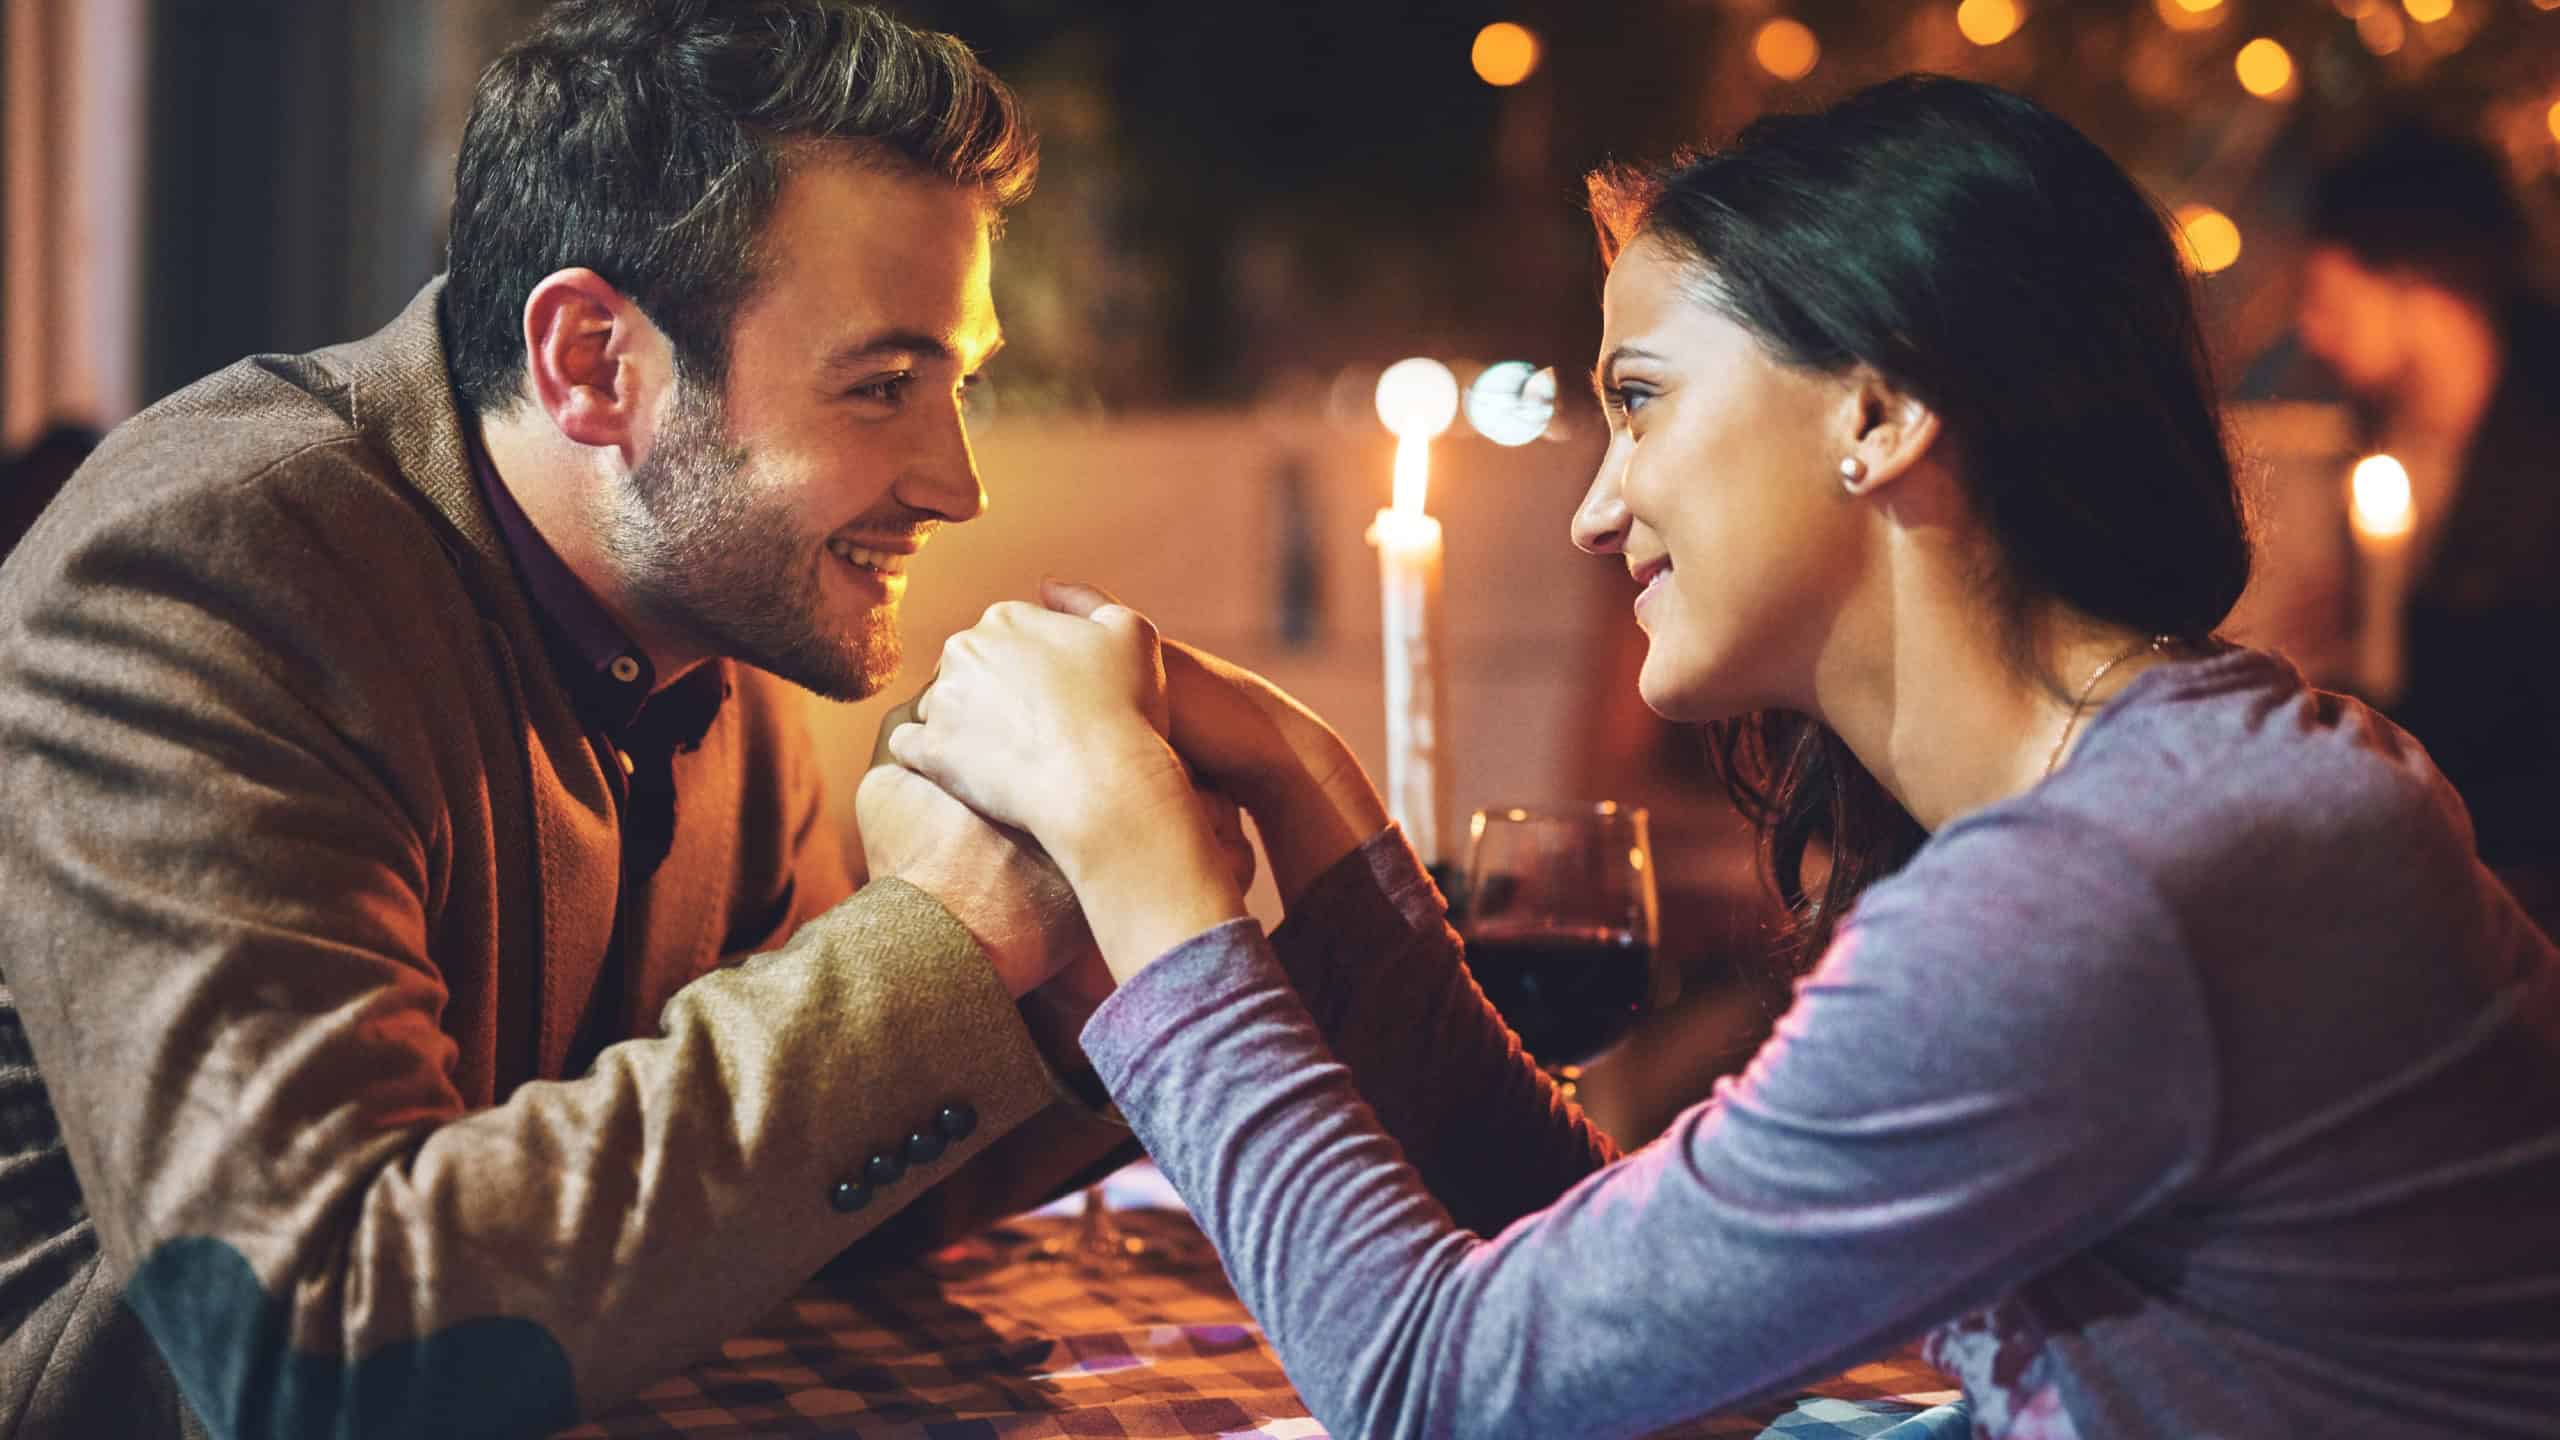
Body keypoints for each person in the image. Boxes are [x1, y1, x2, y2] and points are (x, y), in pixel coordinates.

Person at [886, 77, 2560, 1438]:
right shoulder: (2206, 784)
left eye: (1640, 402)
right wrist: (1311, 804)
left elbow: (1434, 1388)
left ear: (1879, 414)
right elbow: (1626, 1318)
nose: (1597, 505)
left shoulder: (2099, 895)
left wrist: (1136, 868)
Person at [0, 3, 1212, 1435]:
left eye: (956, 384)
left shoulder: (709, 627)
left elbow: (754, 1199)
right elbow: (312, 1342)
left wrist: (1075, 981)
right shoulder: (208, 581)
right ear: (592, 362)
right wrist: (937, 944)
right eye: (883, 385)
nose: (957, 484)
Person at [2294, 124, 2560, 934]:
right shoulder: (2367, 442)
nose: (2313, 332)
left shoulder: (2539, 438)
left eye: (2329, 299)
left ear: (2413, 282)